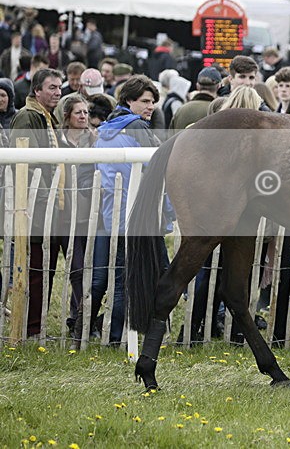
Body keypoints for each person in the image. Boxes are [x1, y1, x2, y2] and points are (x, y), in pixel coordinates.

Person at [89, 75, 164, 344]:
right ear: (128, 100)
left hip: (113, 213)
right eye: (145, 101)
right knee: (153, 276)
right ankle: (130, 335)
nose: (151, 106)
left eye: (153, 101)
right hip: (138, 214)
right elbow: (158, 170)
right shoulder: (138, 128)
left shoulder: (106, 127)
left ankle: (113, 334)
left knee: (120, 278)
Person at [9, 68, 64, 336]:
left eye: (59, 87)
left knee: (45, 268)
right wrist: (41, 196)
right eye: (52, 87)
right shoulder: (28, 117)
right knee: (35, 269)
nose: (57, 92)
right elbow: (24, 164)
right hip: (34, 205)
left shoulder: (47, 118)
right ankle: (30, 328)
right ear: (37, 90)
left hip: (47, 203)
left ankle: (36, 324)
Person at [57, 95, 96, 334]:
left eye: (86, 112)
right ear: (67, 116)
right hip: (65, 213)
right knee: (77, 268)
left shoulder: (95, 140)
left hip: (90, 212)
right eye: (78, 112)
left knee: (89, 268)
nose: (83, 117)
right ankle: (82, 317)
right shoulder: (58, 143)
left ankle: (78, 317)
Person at [169, 67, 221, 131]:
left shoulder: (181, 110)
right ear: (219, 86)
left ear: (197, 86)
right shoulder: (220, 111)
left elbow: (171, 138)